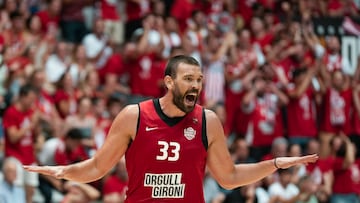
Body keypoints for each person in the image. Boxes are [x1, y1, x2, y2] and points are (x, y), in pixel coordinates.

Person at [24, 55, 318, 202]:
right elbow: (98, 167)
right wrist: (64, 171)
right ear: (169, 82)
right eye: (188, 79)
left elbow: (228, 177)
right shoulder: (134, 116)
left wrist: (275, 164)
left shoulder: (208, 121)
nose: (196, 86)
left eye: (199, 80)